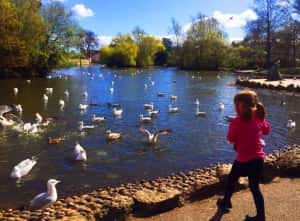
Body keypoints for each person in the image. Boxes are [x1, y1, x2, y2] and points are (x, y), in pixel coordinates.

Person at [217, 90, 270, 221]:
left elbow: (230, 138)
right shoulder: (258, 117)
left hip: (243, 160)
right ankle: (261, 216)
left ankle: (226, 202)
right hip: (258, 159)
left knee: (231, 180)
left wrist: (237, 140)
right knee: (254, 188)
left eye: (235, 104)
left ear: (240, 105)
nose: (235, 107)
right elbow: (266, 131)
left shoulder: (237, 121)